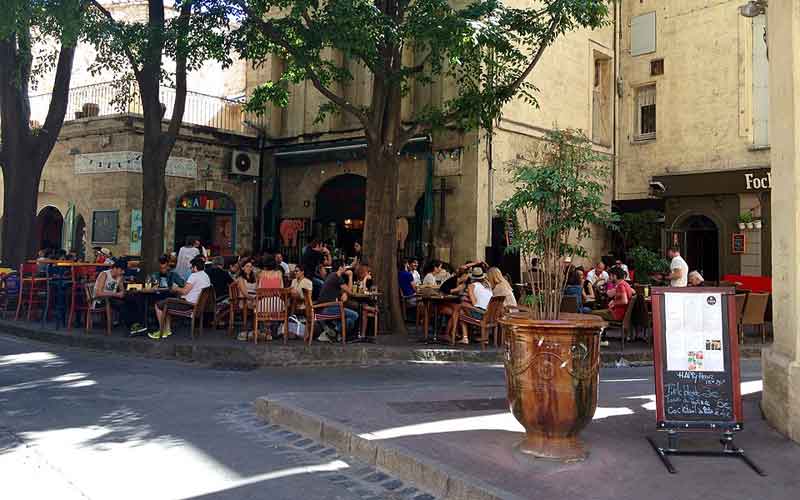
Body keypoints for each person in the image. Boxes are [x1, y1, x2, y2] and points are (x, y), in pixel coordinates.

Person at [150, 256, 211, 339]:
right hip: (196, 305)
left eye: (191, 267)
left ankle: (162, 330)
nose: (190, 269)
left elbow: (184, 291)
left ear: (195, 267)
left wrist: (176, 288)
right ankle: (167, 330)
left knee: (158, 305)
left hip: (187, 305)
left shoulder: (194, 276)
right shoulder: (205, 276)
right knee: (166, 303)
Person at [590, 267, 634, 346]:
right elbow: (632, 293)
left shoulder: (621, 286)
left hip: (616, 314)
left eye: (610, 276)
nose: (609, 278)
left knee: (592, 314)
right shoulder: (625, 284)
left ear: (614, 276)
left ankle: (598, 340)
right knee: (598, 313)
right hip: (619, 313)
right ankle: (601, 338)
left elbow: (624, 301)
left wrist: (614, 303)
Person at [317, 261, 358, 341]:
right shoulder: (337, 277)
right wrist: (350, 276)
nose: (346, 268)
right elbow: (350, 292)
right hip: (326, 309)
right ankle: (335, 332)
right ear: (340, 268)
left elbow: (341, 292)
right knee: (355, 315)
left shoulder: (332, 276)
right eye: (344, 266)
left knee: (349, 319)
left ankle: (336, 334)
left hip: (323, 308)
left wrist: (344, 293)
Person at [458, 267, 494, 344]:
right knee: (465, 307)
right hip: (491, 315)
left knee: (461, 309)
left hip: (482, 315)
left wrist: (465, 302)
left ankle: (465, 338)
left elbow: (474, 303)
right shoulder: (488, 284)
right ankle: (485, 338)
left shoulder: (471, 286)